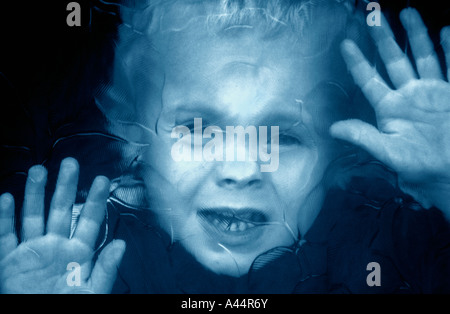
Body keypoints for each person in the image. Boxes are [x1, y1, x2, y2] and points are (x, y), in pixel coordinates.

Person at [1, 0, 450, 293]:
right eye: (197, 129)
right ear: (135, 136)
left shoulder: (382, 242)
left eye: (283, 136)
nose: (240, 168)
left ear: (335, 155)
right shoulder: (91, 255)